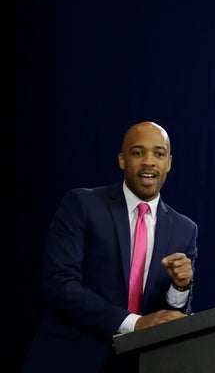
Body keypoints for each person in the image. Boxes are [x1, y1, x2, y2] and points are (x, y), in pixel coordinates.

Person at [22, 121, 198, 373]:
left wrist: (180, 288)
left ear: (168, 163)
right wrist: (133, 324)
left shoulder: (184, 229)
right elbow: (59, 284)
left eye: (158, 154)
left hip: (142, 363)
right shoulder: (82, 204)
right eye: (138, 152)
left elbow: (169, 317)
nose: (149, 161)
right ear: (122, 160)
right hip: (72, 357)